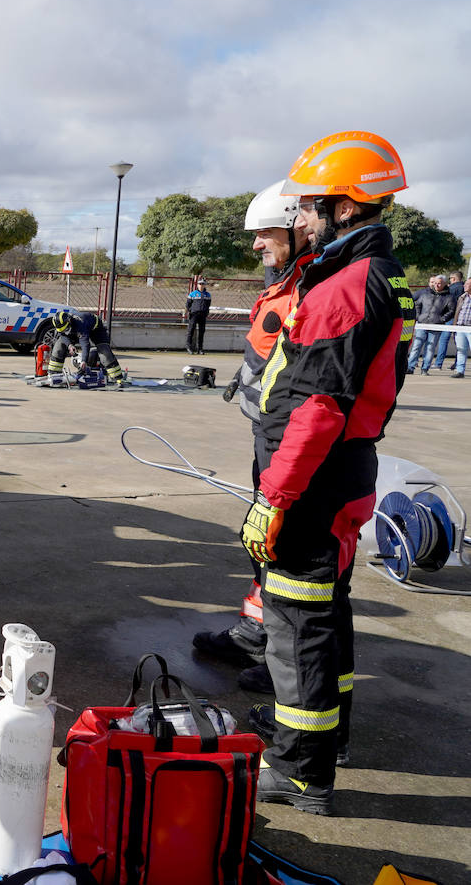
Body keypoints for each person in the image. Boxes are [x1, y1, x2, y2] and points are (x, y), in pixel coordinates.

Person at [241, 131, 413, 815]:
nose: (301, 219)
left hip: (313, 477)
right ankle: (320, 737)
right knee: (325, 613)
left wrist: (273, 498)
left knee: (295, 624)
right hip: (343, 470)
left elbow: (317, 403)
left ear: (345, 206)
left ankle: (300, 770)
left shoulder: (347, 284)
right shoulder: (375, 272)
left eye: (310, 206)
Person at [197, 181, 313, 695]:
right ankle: (254, 633)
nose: (257, 245)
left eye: (265, 234)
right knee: (262, 542)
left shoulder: (314, 285)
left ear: (296, 227)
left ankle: (284, 659)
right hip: (269, 436)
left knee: (286, 551)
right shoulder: (288, 280)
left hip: (294, 442)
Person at [45, 310, 128, 386]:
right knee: (59, 345)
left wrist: (84, 361)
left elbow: (85, 344)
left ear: (69, 321)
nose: (64, 331)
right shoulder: (62, 326)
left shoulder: (80, 323)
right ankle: (53, 374)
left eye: (65, 329)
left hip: (96, 330)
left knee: (104, 353)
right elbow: (62, 335)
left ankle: (118, 378)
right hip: (73, 330)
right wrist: (70, 345)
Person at [408, 275, 455, 374]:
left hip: (435, 326)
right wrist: (418, 316)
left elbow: (451, 311)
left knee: (430, 348)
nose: (436, 285)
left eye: (439, 283)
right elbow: (418, 305)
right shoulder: (425, 294)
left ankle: (425, 368)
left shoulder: (449, 297)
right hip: (422, 324)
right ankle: (410, 367)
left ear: (445, 284)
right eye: (435, 283)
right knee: (416, 346)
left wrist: (442, 319)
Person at [184, 278, 212, 354]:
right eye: (200, 284)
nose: (201, 285)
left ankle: (200, 349)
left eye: (203, 284)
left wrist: (206, 312)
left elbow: (208, 304)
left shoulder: (208, 294)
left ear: (205, 285)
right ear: (197, 285)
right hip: (194, 315)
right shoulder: (193, 294)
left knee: (201, 332)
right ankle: (189, 347)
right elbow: (188, 304)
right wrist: (190, 311)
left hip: (203, 315)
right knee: (191, 331)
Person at [452, 284, 471, 378]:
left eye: (467, 284)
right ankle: (460, 371)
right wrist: (454, 327)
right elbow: (457, 312)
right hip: (460, 327)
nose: (465, 285)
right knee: (460, 350)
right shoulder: (462, 297)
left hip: (470, 328)